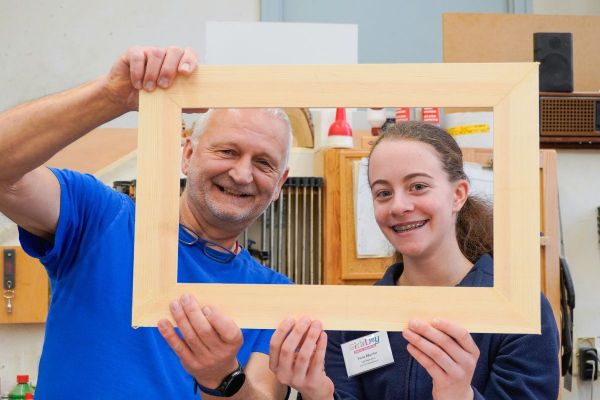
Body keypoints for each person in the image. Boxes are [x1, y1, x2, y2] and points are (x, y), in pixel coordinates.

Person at [0, 46, 293, 399]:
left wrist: (223, 377)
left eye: (263, 163)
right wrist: (110, 96)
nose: (242, 173)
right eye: (227, 151)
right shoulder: (101, 218)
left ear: (280, 184)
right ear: (187, 155)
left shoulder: (275, 295)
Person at [269, 121, 560, 399]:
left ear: (458, 194)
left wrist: (460, 397)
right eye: (383, 193)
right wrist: (317, 394)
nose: (399, 206)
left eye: (418, 186)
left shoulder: (518, 311)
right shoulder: (352, 317)